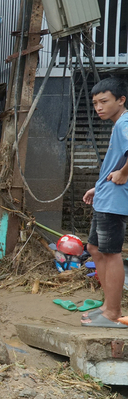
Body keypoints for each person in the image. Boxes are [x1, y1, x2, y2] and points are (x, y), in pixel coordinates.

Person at [81, 77, 128, 328]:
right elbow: (117, 163)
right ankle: (108, 305)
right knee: (94, 249)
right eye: (95, 103)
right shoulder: (119, 124)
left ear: (121, 100)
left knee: (111, 253)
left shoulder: (125, 123)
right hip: (106, 196)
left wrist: (123, 175)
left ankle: (113, 312)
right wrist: (98, 187)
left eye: (104, 102)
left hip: (115, 201)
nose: (98, 107)